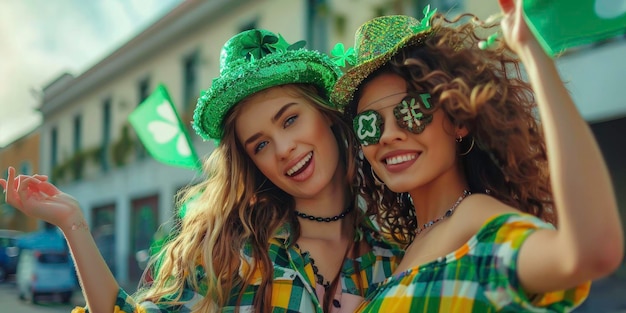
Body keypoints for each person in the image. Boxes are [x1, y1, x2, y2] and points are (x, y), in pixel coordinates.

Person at [0, 29, 403, 313]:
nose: (283, 150)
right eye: (260, 144)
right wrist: (73, 223)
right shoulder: (231, 253)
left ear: (327, 116)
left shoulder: (398, 255)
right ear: (252, 162)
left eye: (290, 119)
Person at [329, 0, 624, 311]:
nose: (388, 134)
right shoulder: (403, 250)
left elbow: (590, 253)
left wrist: (534, 54)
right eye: (369, 125)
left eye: (412, 111)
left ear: (459, 121)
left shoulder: (476, 220)